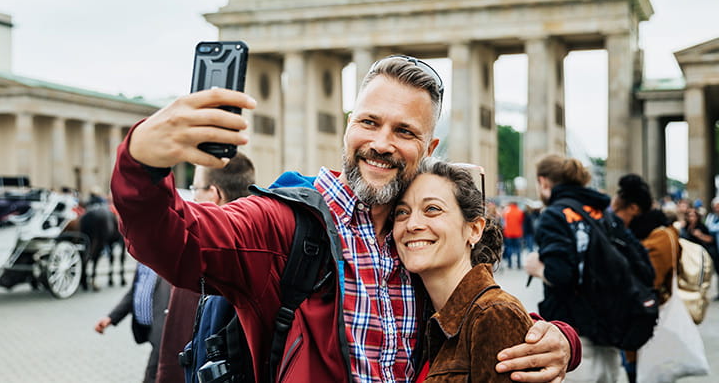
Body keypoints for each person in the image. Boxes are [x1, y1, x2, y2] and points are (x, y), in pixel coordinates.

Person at [112, 56, 580, 382]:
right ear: (349, 125)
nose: (382, 142)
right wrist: (142, 164)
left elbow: (478, 313)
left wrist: (560, 339)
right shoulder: (283, 225)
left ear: (429, 150)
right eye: (370, 122)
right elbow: (179, 239)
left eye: (405, 131)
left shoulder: (417, 236)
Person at [392, 158, 533, 382]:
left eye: (432, 209)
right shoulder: (423, 319)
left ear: (474, 230)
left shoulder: (492, 315)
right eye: (402, 212)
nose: (412, 224)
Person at [523, 155, 652, 383]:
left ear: (543, 182)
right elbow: (645, 268)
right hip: (612, 328)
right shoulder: (604, 213)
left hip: (573, 332)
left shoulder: (554, 215)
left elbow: (560, 275)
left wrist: (537, 268)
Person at [154, 153, 256, 383]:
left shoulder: (198, 258)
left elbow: (174, 348)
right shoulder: (265, 249)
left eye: (195, 188)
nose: (193, 196)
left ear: (214, 194)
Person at [612, 174, 680, 383]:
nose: (613, 218)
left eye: (617, 212)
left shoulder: (659, 237)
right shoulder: (640, 232)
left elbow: (648, 281)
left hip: (649, 327)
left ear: (633, 209)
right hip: (633, 326)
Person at [94, 262, 171, 383]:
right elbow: (134, 293)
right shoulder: (142, 262)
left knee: (152, 374)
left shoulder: (166, 262)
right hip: (146, 329)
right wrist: (111, 318)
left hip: (162, 332)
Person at [502, 201, 525, 269]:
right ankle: (518, 264)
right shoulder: (519, 212)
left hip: (508, 233)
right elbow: (521, 222)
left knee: (509, 248)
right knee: (518, 249)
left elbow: (504, 222)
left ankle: (510, 263)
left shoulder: (507, 212)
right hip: (518, 233)